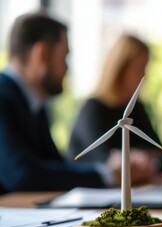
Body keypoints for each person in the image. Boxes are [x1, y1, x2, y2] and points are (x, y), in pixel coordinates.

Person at [0, 13, 147, 194]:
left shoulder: (32, 103)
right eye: (64, 57)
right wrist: (106, 174)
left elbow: (55, 166)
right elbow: (21, 175)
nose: (67, 68)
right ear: (42, 54)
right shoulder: (5, 98)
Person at [67, 35, 162, 182]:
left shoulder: (135, 109)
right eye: (139, 69)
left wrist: (149, 162)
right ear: (120, 69)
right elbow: (107, 162)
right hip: (92, 196)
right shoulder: (93, 110)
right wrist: (141, 157)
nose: (144, 76)